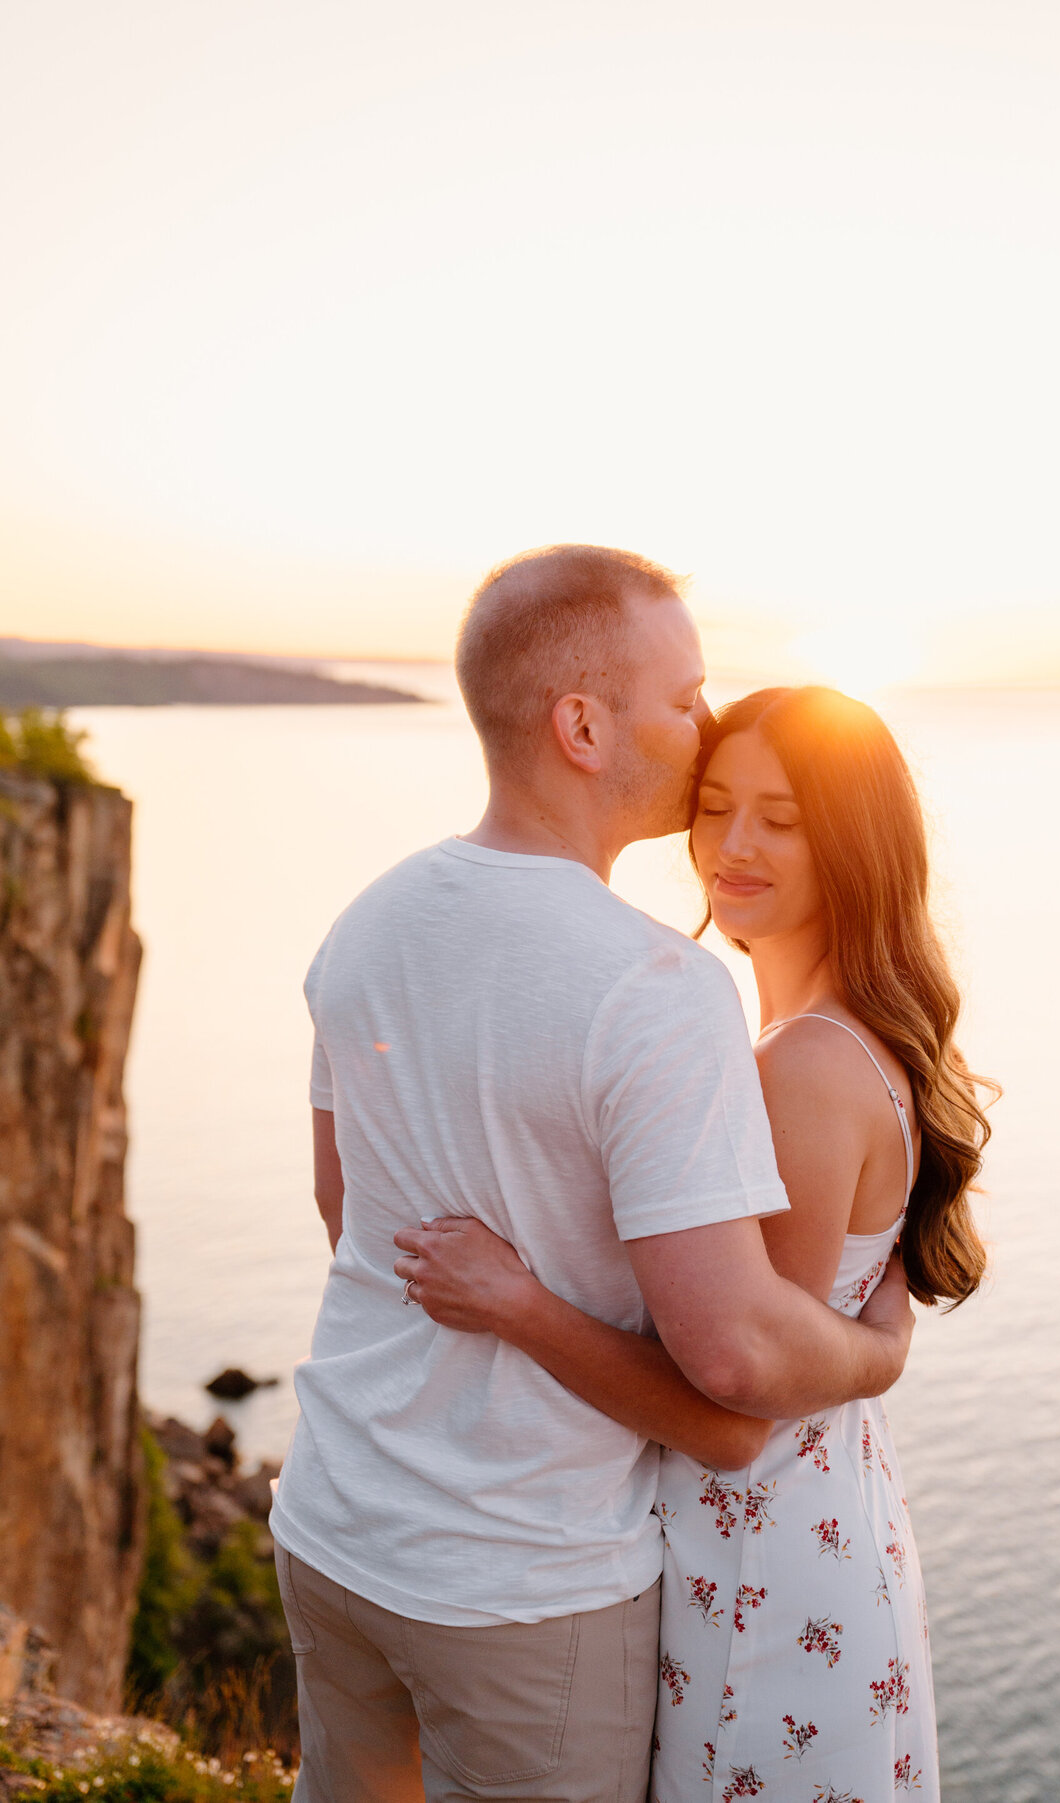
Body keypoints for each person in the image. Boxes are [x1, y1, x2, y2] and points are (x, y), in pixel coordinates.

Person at [270, 547, 915, 1803]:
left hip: (335, 1526)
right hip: (521, 1583)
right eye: (684, 698)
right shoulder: (661, 991)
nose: (703, 723)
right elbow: (732, 1386)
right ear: (582, 725)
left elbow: (347, 1210)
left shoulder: (370, 919)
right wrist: (881, 1352)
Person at [396, 684, 994, 1803]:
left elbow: (732, 1409)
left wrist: (516, 1302)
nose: (734, 844)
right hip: (821, 1530)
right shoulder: (832, 1037)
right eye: (717, 805)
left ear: (856, 840)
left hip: (758, 1568)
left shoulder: (798, 1069)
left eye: (784, 815)